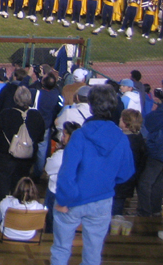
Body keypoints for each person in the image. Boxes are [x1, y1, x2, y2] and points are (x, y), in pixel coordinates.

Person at [50, 85, 135, 265]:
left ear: (91, 106)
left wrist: (65, 199)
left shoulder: (80, 136)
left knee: (61, 248)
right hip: (102, 201)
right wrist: (106, 181)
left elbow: (67, 172)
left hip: (73, 200)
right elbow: (127, 172)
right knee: (93, 252)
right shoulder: (121, 138)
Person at [0, 86, 46, 200]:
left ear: (15, 98)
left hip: (5, 157)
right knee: (20, 187)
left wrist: (3, 148)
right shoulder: (37, 116)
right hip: (26, 160)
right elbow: (40, 137)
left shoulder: (5, 114)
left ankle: (3, 212)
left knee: (3, 187)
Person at [113, 109, 146, 216]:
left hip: (120, 180)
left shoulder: (122, 139)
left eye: (121, 118)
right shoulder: (139, 138)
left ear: (125, 122)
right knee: (120, 203)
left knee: (116, 206)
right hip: (131, 179)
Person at [137, 90, 163, 217]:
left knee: (144, 183)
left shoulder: (158, 115)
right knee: (158, 183)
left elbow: (149, 122)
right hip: (159, 152)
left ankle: (145, 213)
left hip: (158, 153)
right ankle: (155, 210)